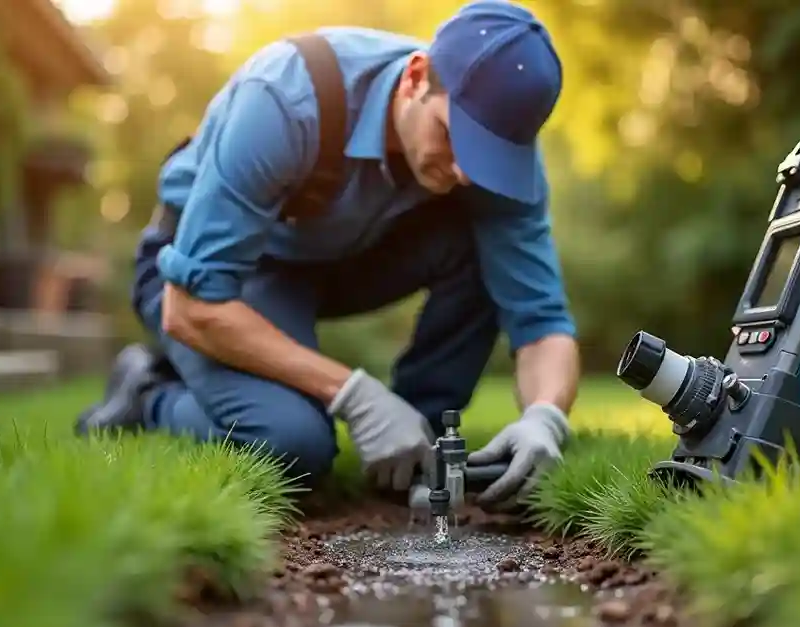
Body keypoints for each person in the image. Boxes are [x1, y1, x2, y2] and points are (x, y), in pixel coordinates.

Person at [76, 0, 582, 513]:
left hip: (338, 261)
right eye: (452, 137)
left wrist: (545, 417)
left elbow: (541, 321)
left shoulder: (494, 159)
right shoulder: (285, 99)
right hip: (209, 274)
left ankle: (413, 446)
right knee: (293, 445)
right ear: (414, 78)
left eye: (489, 156)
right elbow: (191, 308)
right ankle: (148, 396)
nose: (466, 173)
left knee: (481, 245)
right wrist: (356, 397)